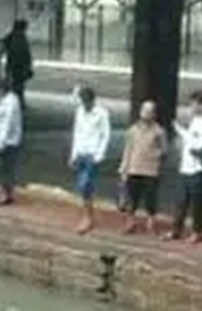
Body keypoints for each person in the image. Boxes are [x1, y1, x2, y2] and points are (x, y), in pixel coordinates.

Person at [171, 91, 202, 243]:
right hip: (185, 166)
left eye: (194, 104)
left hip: (198, 168)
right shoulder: (196, 120)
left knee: (197, 202)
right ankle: (176, 230)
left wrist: (180, 131)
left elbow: (199, 144)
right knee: (180, 200)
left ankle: (198, 232)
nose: (191, 107)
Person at [118, 99, 165, 235]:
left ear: (154, 114)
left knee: (151, 198)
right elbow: (128, 149)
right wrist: (123, 168)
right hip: (134, 168)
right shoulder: (132, 130)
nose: (146, 113)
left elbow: (165, 150)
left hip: (151, 170)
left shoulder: (159, 132)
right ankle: (130, 222)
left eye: (149, 111)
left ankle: (151, 222)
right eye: (144, 110)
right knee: (132, 197)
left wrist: (156, 157)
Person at [69, 85, 112, 233]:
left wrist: (100, 154)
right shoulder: (79, 111)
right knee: (85, 188)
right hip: (81, 152)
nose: (84, 104)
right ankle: (88, 214)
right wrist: (73, 154)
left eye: (86, 101)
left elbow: (105, 135)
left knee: (84, 184)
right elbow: (77, 133)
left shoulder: (101, 113)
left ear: (92, 100)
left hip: (92, 154)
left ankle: (88, 217)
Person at [0, 74, 24, 206]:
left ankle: (6, 195)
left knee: (4, 169)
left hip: (7, 141)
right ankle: (5, 192)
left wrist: (0, 144)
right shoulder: (1, 99)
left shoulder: (12, 101)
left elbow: (7, 124)